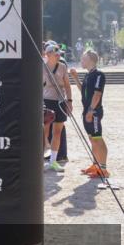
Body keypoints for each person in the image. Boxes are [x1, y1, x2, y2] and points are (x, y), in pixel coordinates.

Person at [71, 49, 109, 178]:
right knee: (92, 139)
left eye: (83, 59)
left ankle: (103, 169)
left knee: (98, 139)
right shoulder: (88, 75)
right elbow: (83, 91)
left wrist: (91, 111)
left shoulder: (99, 75)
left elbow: (97, 94)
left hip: (94, 112)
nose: (81, 61)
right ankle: (95, 165)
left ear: (90, 60)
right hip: (87, 111)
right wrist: (76, 78)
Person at [42, 42, 72, 172]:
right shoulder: (42, 67)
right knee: (44, 131)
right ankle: (40, 159)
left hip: (60, 101)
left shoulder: (63, 67)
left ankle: (53, 161)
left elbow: (67, 85)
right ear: (48, 55)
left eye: (59, 54)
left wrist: (69, 101)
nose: (58, 56)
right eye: (56, 54)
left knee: (58, 132)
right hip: (46, 101)